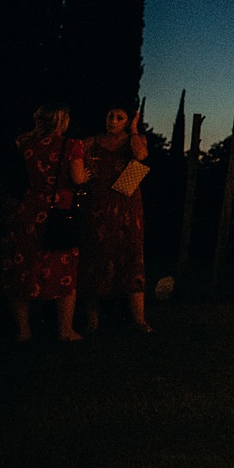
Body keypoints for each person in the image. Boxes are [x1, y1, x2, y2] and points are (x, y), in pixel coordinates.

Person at [2, 105, 89, 343]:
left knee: (23, 268)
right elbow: (77, 178)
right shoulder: (72, 145)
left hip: (29, 209)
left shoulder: (23, 143)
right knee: (64, 270)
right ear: (62, 121)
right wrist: (86, 176)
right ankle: (65, 331)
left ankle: (23, 331)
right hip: (59, 211)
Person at [78, 106, 150, 334]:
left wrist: (135, 130)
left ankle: (138, 319)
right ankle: (93, 321)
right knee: (95, 255)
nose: (113, 121)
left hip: (126, 204)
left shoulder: (134, 140)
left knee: (130, 255)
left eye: (120, 118)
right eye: (110, 116)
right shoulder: (92, 142)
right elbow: (74, 156)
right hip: (98, 203)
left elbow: (140, 156)